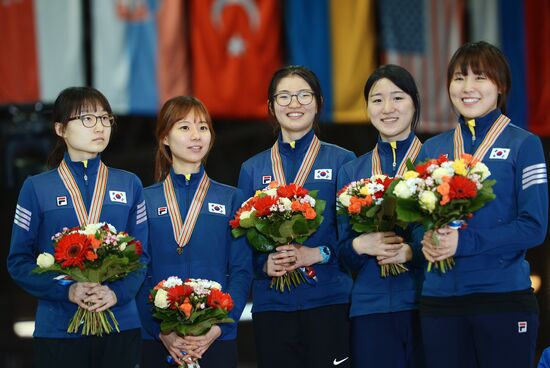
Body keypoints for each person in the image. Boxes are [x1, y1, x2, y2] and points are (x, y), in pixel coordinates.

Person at [418, 41, 548, 367]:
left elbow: (534, 227)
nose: (468, 88)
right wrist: (423, 238)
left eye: (480, 77)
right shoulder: (432, 148)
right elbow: (417, 219)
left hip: (502, 297)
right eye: (459, 78)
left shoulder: (525, 145)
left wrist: (465, 242)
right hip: (441, 299)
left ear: (500, 85)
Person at [7, 86, 149, 368]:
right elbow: (18, 261)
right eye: (87, 119)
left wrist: (115, 293)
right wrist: (67, 291)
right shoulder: (36, 188)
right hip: (59, 328)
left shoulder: (129, 183)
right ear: (61, 128)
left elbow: (142, 257)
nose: (99, 127)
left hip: (121, 323)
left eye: (105, 118)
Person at [237, 65, 355, 368]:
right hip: (272, 305)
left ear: (318, 103)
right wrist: (264, 264)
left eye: (304, 95)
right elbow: (240, 244)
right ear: (271, 106)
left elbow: (352, 238)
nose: (294, 104)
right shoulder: (252, 168)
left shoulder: (343, 161)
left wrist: (318, 253)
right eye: (285, 96)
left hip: (328, 301)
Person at [137, 96, 252, 368]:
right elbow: (138, 273)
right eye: (184, 127)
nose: (196, 136)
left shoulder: (232, 199)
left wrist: (218, 328)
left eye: (203, 127)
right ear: (165, 137)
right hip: (158, 339)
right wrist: (163, 332)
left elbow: (241, 271)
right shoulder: (143, 200)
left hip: (217, 337)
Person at [337, 64, 425, 367]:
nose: (387, 108)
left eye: (397, 98)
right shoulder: (352, 171)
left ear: (414, 103)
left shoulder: (438, 162)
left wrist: (412, 252)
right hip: (369, 306)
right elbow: (342, 250)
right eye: (377, 100)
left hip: (426, 302)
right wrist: (361, 246)